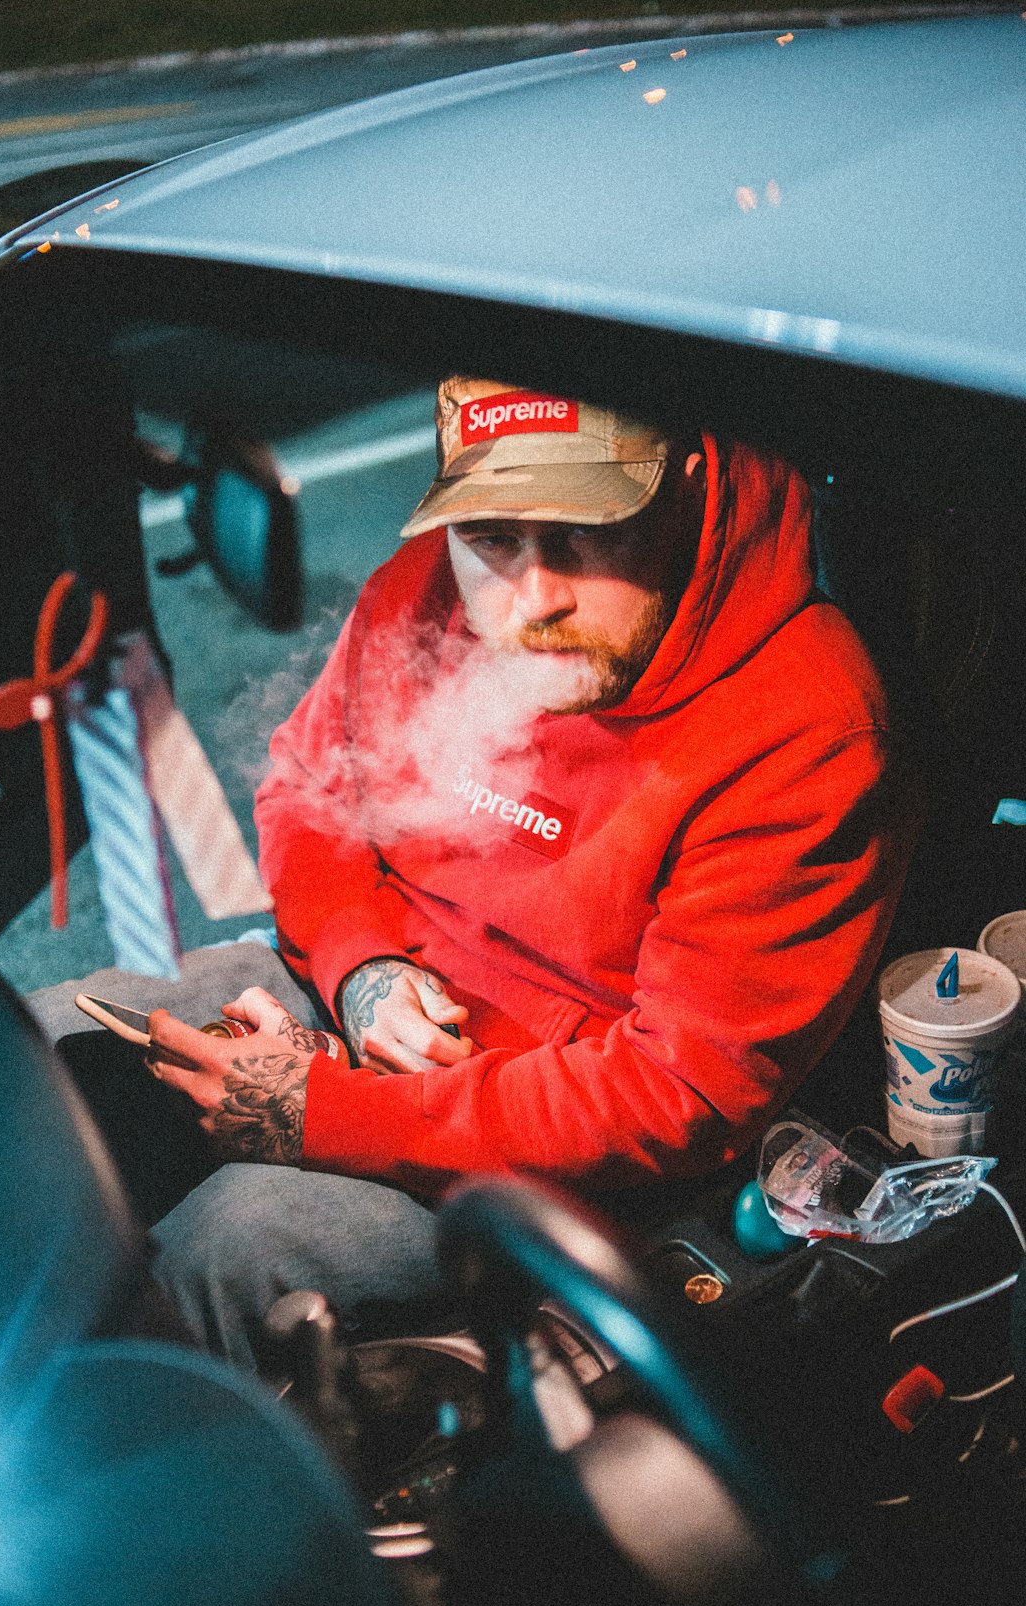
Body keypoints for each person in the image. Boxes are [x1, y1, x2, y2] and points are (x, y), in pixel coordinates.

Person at [98, 378, 920, 1365]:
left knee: (225, 1253)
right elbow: (308, 790)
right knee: (71, 1044)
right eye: (492, 537)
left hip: (554, 1143)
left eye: (584, 534)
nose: (535, 601)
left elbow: (674, 1099)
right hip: (359, 1004)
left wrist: (332, 1113)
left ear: (688, 484)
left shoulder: (808, 727)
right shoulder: (428, 589)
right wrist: (362, 971)